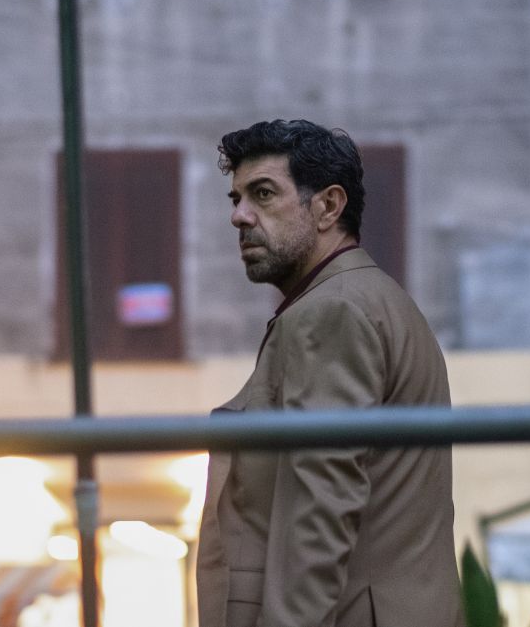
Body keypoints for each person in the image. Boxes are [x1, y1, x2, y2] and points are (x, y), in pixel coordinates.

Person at [196, 119, 464, 627]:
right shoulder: (374, 299)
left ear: (328, 206)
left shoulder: (332, 310)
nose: (239, 216)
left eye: (263, 194)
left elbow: (318, 510)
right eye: (236, 198)